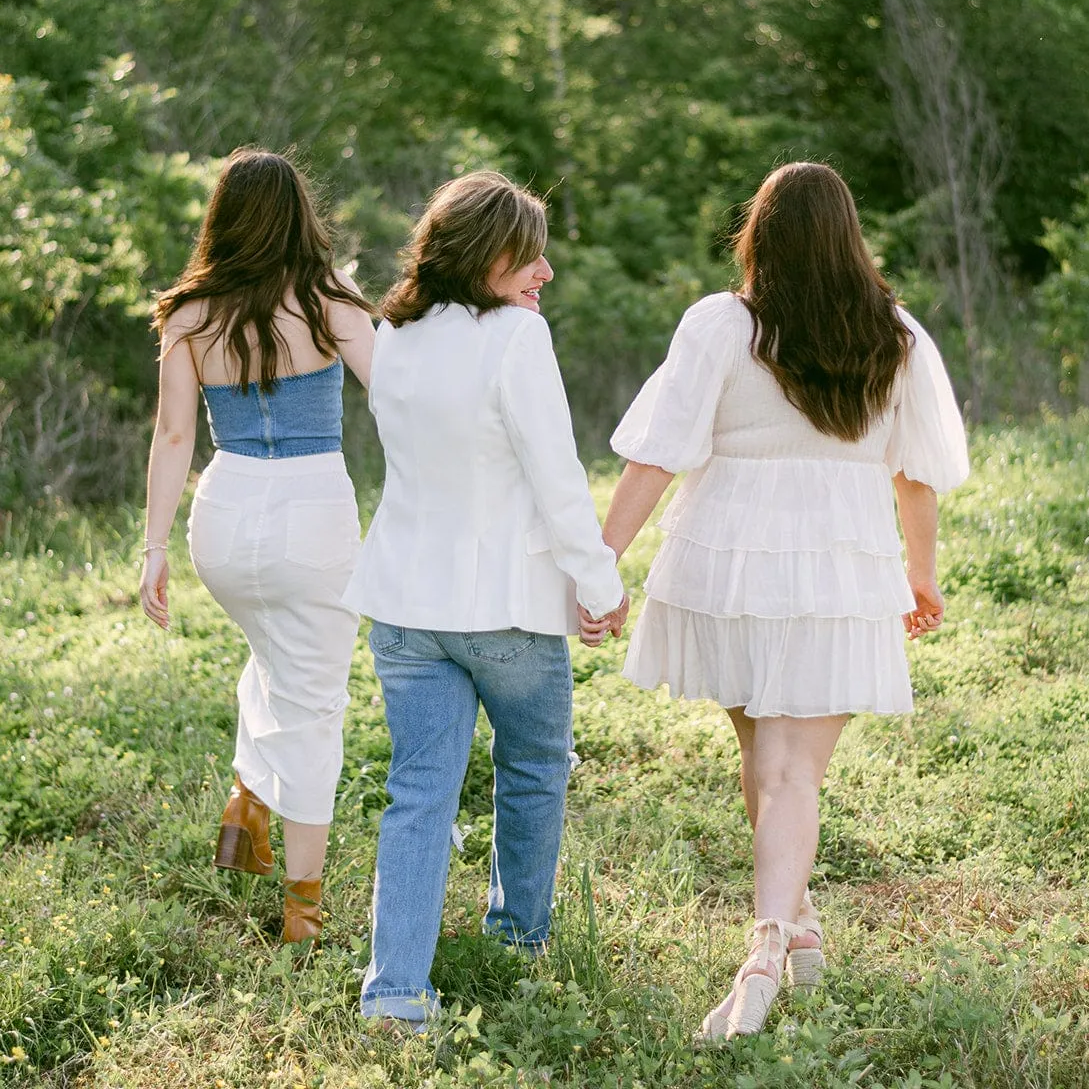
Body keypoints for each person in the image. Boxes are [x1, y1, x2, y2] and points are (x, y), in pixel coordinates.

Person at [601, 162, 969, 1041]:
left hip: (727, 561)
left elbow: (659, 452)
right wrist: (922, 570)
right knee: (789, 768)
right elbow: (916, 472)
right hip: (840, 565)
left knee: (766, 760)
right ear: (850, 237)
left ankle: (781, 937)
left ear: (758, 237)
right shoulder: (897, 336)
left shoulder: (724, 326)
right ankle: (782, 932)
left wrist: (603, 556)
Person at [344, 170, 628, 1032]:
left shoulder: (392, 336)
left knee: (419, 787)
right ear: (479, 256)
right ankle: (515, 941)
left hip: (403, 602)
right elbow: (556, 477)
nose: (543, 274)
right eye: (527, 257)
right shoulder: (514, 340)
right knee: (535, 767)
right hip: (503, 606)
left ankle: (395, 990)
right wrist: (601, 583)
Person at [138, 148, 376, 944]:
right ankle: (303, 908)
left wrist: (153, 549)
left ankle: (246, 803)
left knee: (271, 651)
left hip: (226, 513)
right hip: (312, 510)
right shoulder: (329, 301)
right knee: (314, 701)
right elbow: (401, 398)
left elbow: (174, 436)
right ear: (298, 216)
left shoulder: (189, 314)